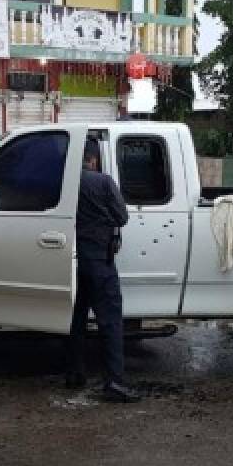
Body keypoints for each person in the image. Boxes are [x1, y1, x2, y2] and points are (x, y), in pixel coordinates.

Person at [66, 137, 141, 403]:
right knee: (110, 322)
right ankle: (115, 383)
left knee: (77, 320)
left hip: (74, 262)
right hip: (100, 261)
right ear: (94, 159)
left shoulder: (67, 185)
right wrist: (104, 219)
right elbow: (122, 217)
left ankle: (75, 373)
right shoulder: (104, 181)